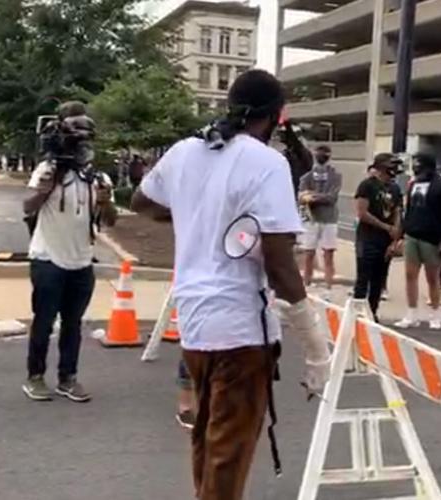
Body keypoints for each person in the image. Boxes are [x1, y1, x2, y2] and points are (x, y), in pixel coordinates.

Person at [134, 70, 330, 500]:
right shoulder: (269, 164)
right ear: (278, 117)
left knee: (208, 439)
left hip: (195, 326)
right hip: (241, 332)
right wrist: (317, 348)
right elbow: (280, 267)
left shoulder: (187, 150)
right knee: (228, 453)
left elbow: (141, 200)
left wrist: (195, 212)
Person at [21, 102, 117, 403]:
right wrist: (43, 191)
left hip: (81, 263)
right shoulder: (47, 170)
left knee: (73, 324)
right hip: (48, 260)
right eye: (79, 143)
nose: (83, 149)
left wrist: (105, 202)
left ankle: (68, 378)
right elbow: (27, 207)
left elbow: (110, 221)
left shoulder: (99, 179)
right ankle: (35, 377)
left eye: (87, 144)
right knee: (44, 321)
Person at [395, 152, 441, 330]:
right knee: (410, 275)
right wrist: (401, 235)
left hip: (432, 238)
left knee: (433, 278)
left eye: (418, 164)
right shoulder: (413, 184)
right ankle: (411, 313)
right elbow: (409, 210)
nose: (415, 168)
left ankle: (434, 314)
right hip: (413, 235)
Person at [353, 153, 403, 319]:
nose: (394, 170)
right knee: (363, 277)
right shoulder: (367, 186)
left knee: (379, 279)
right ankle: (357, 312)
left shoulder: (395, 188)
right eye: (391, 166)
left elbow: (397, 211)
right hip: (368, 238)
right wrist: (385, 226)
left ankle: (373, 312)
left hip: (385, 240)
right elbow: (362, 212)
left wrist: (395, 235)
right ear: (381, 167)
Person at [297, 145, 342, 296]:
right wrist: (312, 196)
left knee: (328, 254)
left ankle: (329, 287)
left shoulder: (336, 175)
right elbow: (302, 198)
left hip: (329, 219)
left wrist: (312, 195)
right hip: (311, 219)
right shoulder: (307, 177)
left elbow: (332, 198)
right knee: (308, 253)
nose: (322, 156)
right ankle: (306, 285)